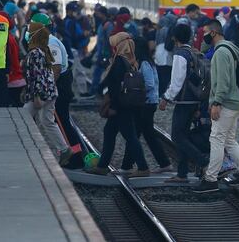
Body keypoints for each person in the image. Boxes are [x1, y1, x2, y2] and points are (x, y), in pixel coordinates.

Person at [194, 20, 239, 193]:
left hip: (226, 102)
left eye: (205, 32)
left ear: (213, 33)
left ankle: (211, 179)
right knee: (228, 140)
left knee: (217, 139)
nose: (202, 35)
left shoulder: (221, 53)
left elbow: (223, 81)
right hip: (234, 100)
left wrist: (216, 102)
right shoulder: (228, 49)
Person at [87, 32, 150, 177]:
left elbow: (115, 87)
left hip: (120, 107)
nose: (113, 48)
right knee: (109, 132)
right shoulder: (131, 60)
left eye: (115, 45)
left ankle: (143, 167)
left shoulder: (119, 62)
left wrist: (113, 107)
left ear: (120, 46)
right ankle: (103, 165)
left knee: (130, 136)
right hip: (126, 105)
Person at [159, 23, 209, 184]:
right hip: (195, 99)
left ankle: (202, 160)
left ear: (174, 37)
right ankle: (182, 173)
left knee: (177, 136)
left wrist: (166, 98)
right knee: (184, 136)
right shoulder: (193, 52)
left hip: (184, 100)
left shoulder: (181, 54)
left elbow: (177, 81)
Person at [23, 21, 73, 166]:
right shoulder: (44, 50)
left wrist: (37, 96)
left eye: (29, 32)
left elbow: (37, 75)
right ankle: (64, 149)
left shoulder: (34, 53)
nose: (27, 35)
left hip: (42, 93)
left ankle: (29, 148)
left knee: (24, 118)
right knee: (47, 121)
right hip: (51, 91)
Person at [122, 37, 172, 174]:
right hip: (147, 103)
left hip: (146, 103)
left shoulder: (144, 63)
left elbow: (149, 84)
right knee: (145, 135)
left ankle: (130, 166)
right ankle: (163, 163)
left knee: (135, 134)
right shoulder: (147, 62)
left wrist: (135, 89)